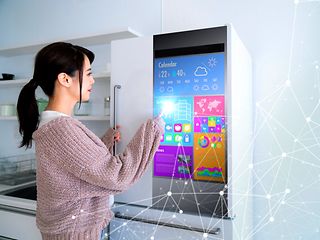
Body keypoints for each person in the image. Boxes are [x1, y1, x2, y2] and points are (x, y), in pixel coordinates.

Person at [16, 42, 164, 240]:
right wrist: (153, 130)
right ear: (65, 79)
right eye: (88, 74)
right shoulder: (62, 129)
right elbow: (119, 176)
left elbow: (75, 170)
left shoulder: (54, 124)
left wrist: (104, 142)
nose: (92, 81)